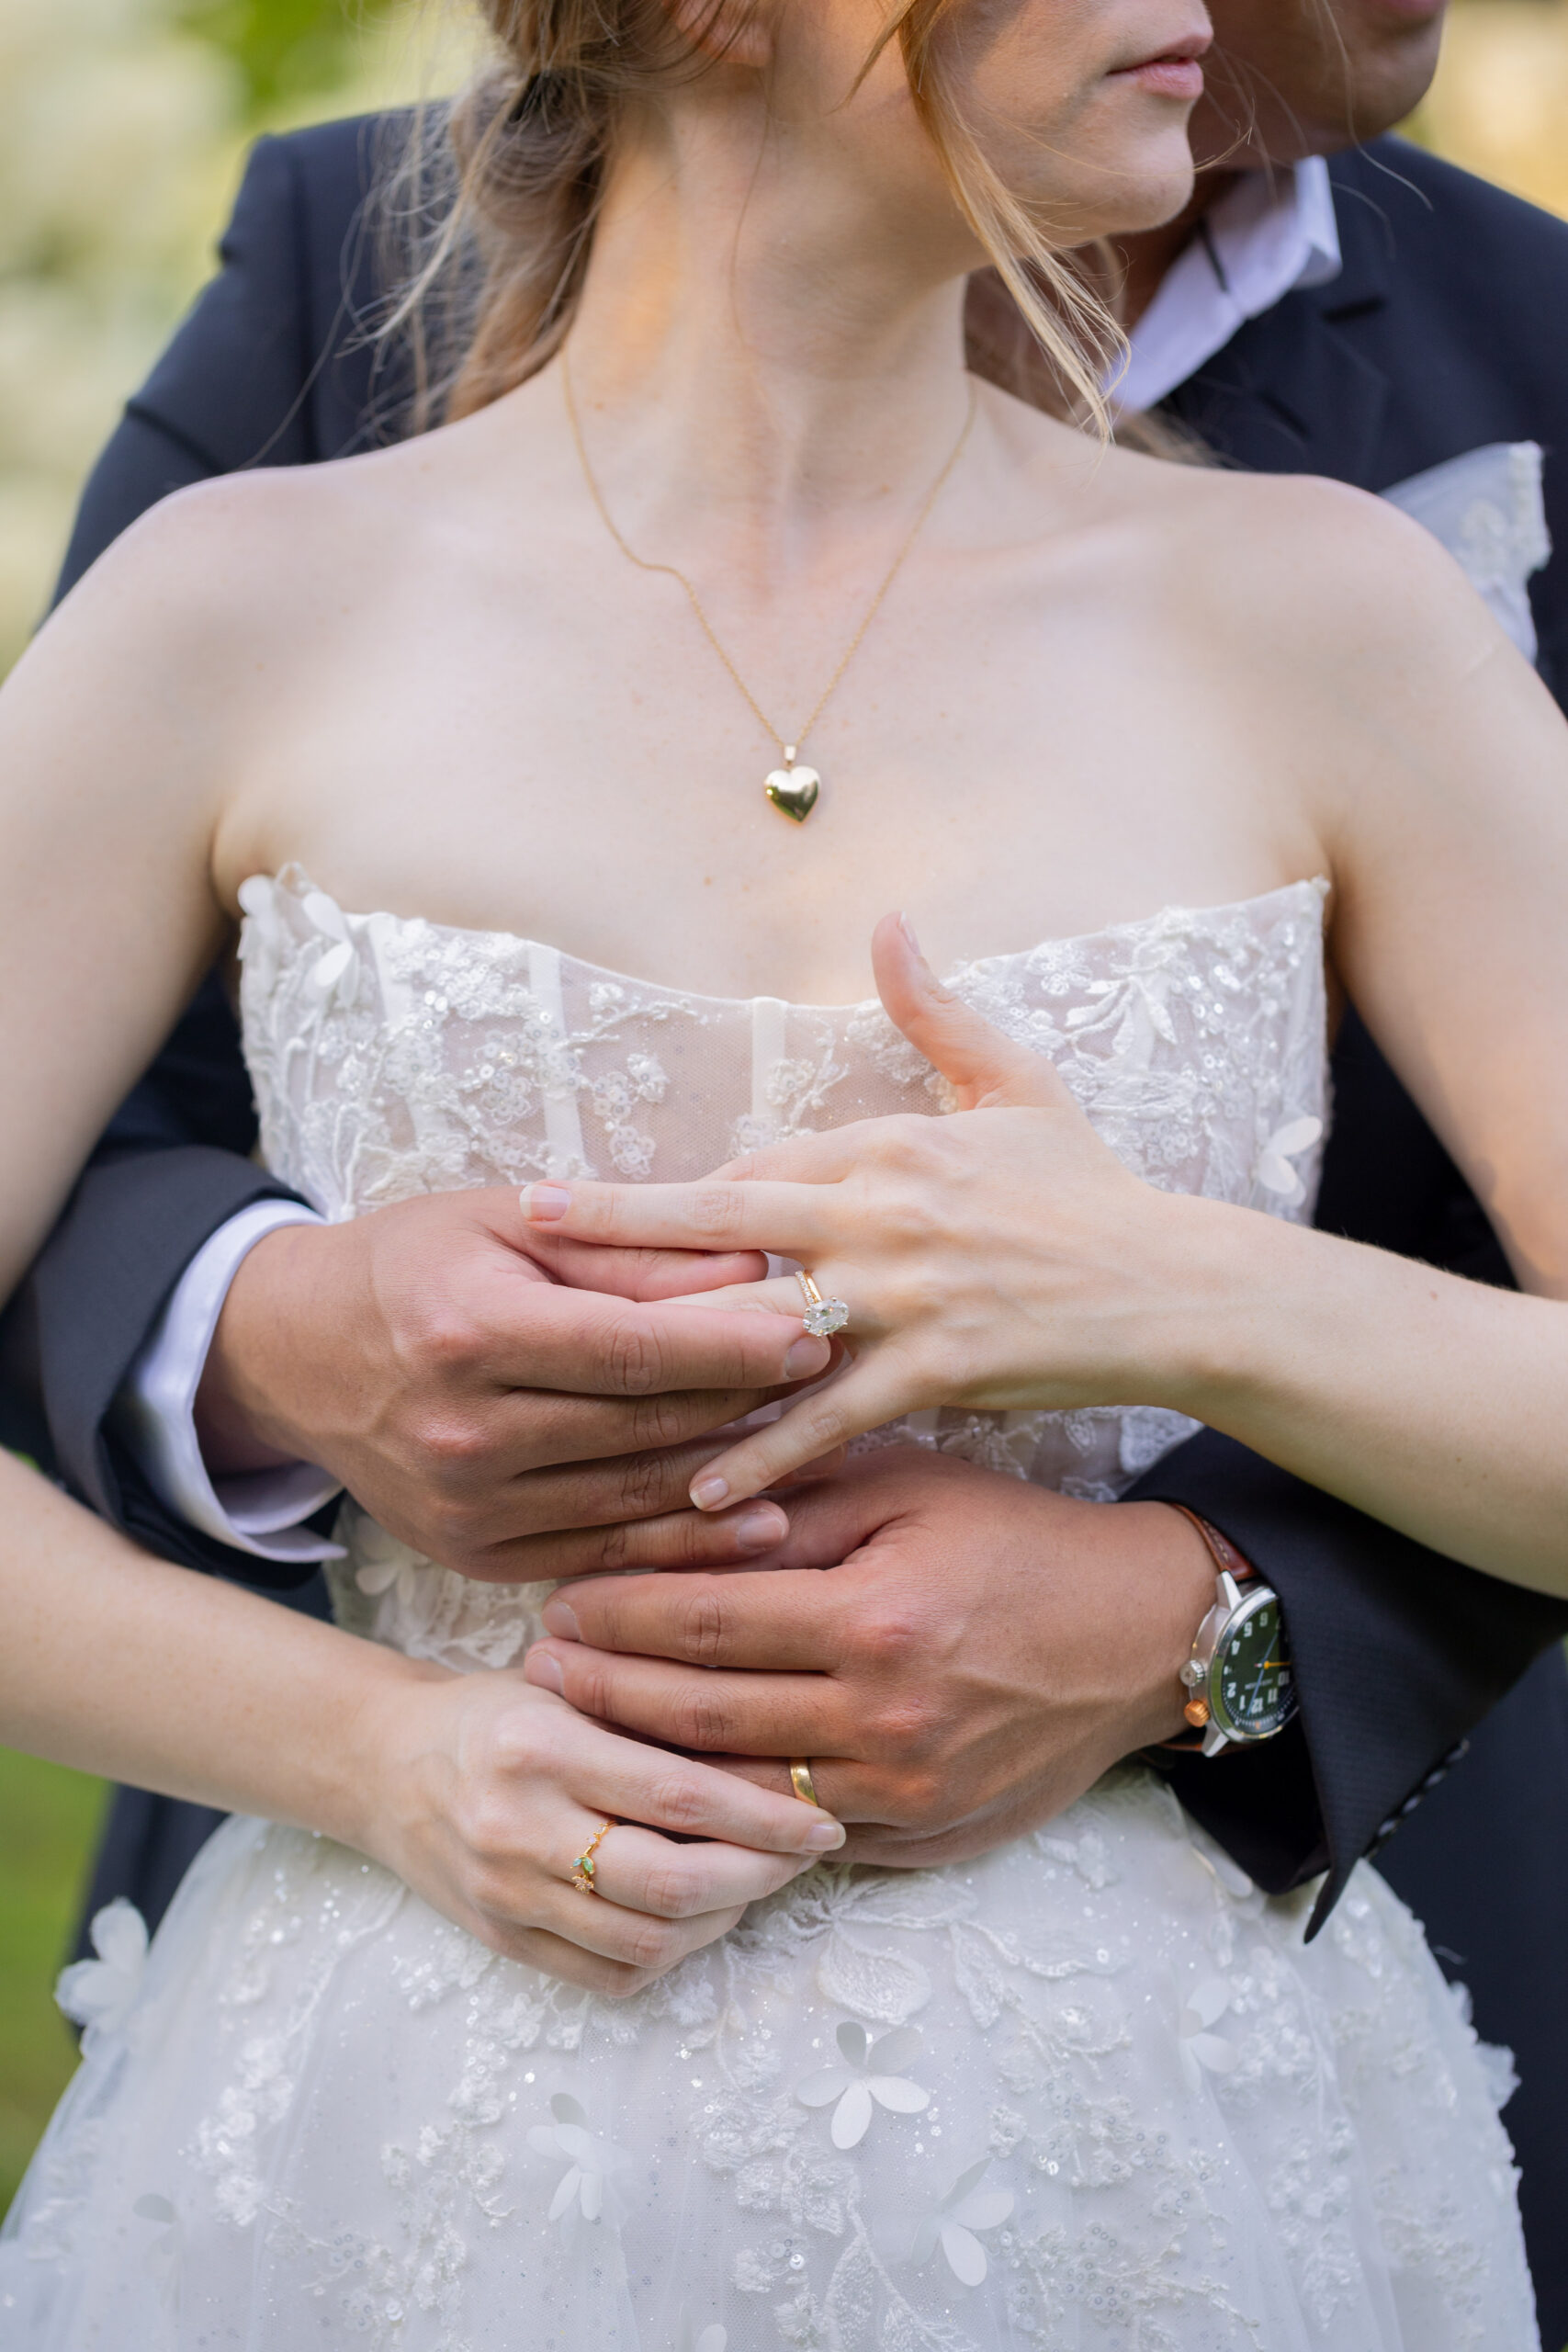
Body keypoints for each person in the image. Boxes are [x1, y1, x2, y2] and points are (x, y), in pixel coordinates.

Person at [0, 0, 1564, 2335]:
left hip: (1154, 2166)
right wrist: (390, 1751)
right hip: (399, 2143)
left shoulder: (1324, 614)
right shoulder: (235, 607)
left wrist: (1168, 1286)